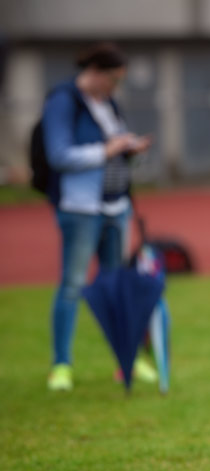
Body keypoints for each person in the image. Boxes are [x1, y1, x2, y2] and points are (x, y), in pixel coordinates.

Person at [43, 43, 154, 391]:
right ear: (96, 72)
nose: (116, 88)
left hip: (115, 207)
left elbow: (117, 153)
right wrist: (108, 149)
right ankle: (62, 365)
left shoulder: (109, 104)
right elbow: (58, 155)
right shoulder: (63, 101)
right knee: (73, 285)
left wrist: (130, 152)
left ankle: (127, 360)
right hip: (81, 209)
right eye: (114, 79)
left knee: (116, 286)